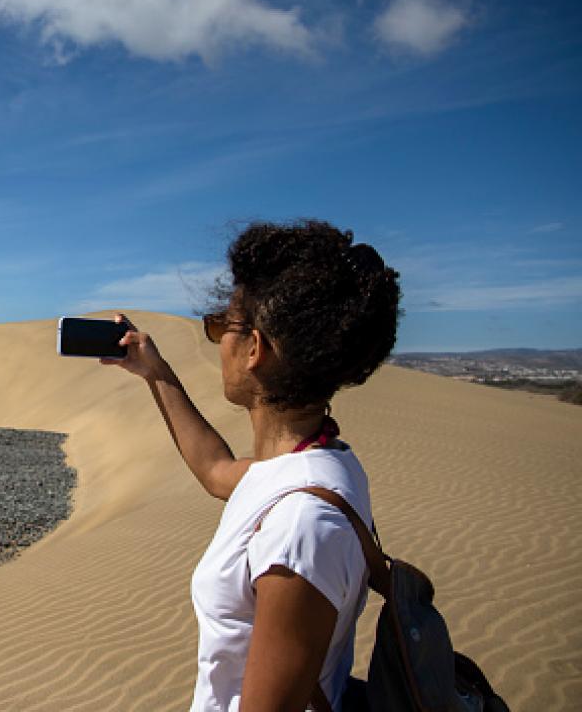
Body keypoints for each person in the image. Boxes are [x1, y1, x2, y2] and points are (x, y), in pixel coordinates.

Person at [103, 220, 401, 712]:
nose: (217, 339)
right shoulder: (321, 463)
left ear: (255, 349)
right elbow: (219, 471)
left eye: (223, 325)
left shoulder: (300, 526)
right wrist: (154, 371)